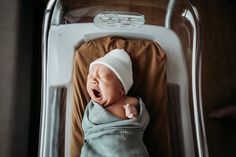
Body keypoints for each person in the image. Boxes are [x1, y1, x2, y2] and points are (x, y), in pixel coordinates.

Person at [81, 48, 150, 157]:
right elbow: (87, 129)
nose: (93, 80)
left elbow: (141, 123)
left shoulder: (130, 102)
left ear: (121, 88)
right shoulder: (92, 107)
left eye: (101, 76)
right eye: (90, 76)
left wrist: (134, 117)